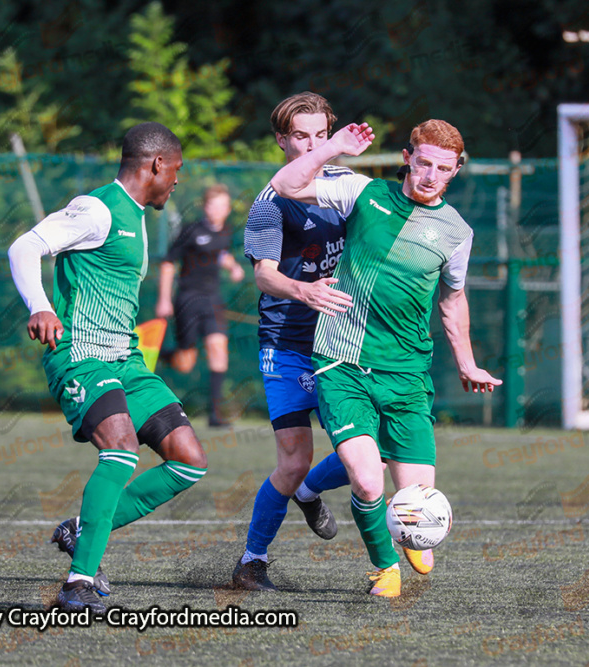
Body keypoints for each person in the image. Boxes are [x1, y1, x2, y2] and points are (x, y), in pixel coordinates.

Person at [269, 118, 501, 598]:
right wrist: (333, 147)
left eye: (443, 168)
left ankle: (393, 527)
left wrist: (467, 362)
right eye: (424, 164)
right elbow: (285, 183)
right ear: (407, 159)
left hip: (408, 375)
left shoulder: (457, 232)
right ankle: (383, 568)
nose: (431, 176)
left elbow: (453, 300)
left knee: (417, 505)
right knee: (369, 482)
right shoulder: (362, 192)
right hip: (342, 363)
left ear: (456, 170)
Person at [7, 122, 208, 613]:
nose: (177, 181)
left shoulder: (137, 215)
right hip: (80, 355)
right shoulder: (98, 208)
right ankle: (78, 582)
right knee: (120, 448)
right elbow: (24, 246)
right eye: (176, 170)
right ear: (156, 164)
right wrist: (40, 305)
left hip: (125, 357)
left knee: (189, 460)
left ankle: (82, 532)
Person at [231, 92, 357, 591]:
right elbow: (264, 276)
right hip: (285, 341)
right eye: (301, 136)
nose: (312, 144)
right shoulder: (270, 201)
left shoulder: (348, 190)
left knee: (373, 449)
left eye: (321, 135)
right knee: (293, 458)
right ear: (282, 140)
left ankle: (309, 491)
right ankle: (251, 562)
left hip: (341, 342)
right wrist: (301, 289)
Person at [155, 184, 245, 427]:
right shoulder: (191, 230)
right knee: (185, 364)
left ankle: (215, 415)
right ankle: (160, 355)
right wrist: (164, 299)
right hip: (188, 299)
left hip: (213, 299)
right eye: (214, 205)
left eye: (223, 206)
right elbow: (168, 263)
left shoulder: (226, 231)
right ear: (206, 207)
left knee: (218, 349)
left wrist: (233, 266)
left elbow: (220, 254)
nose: (219, 210)